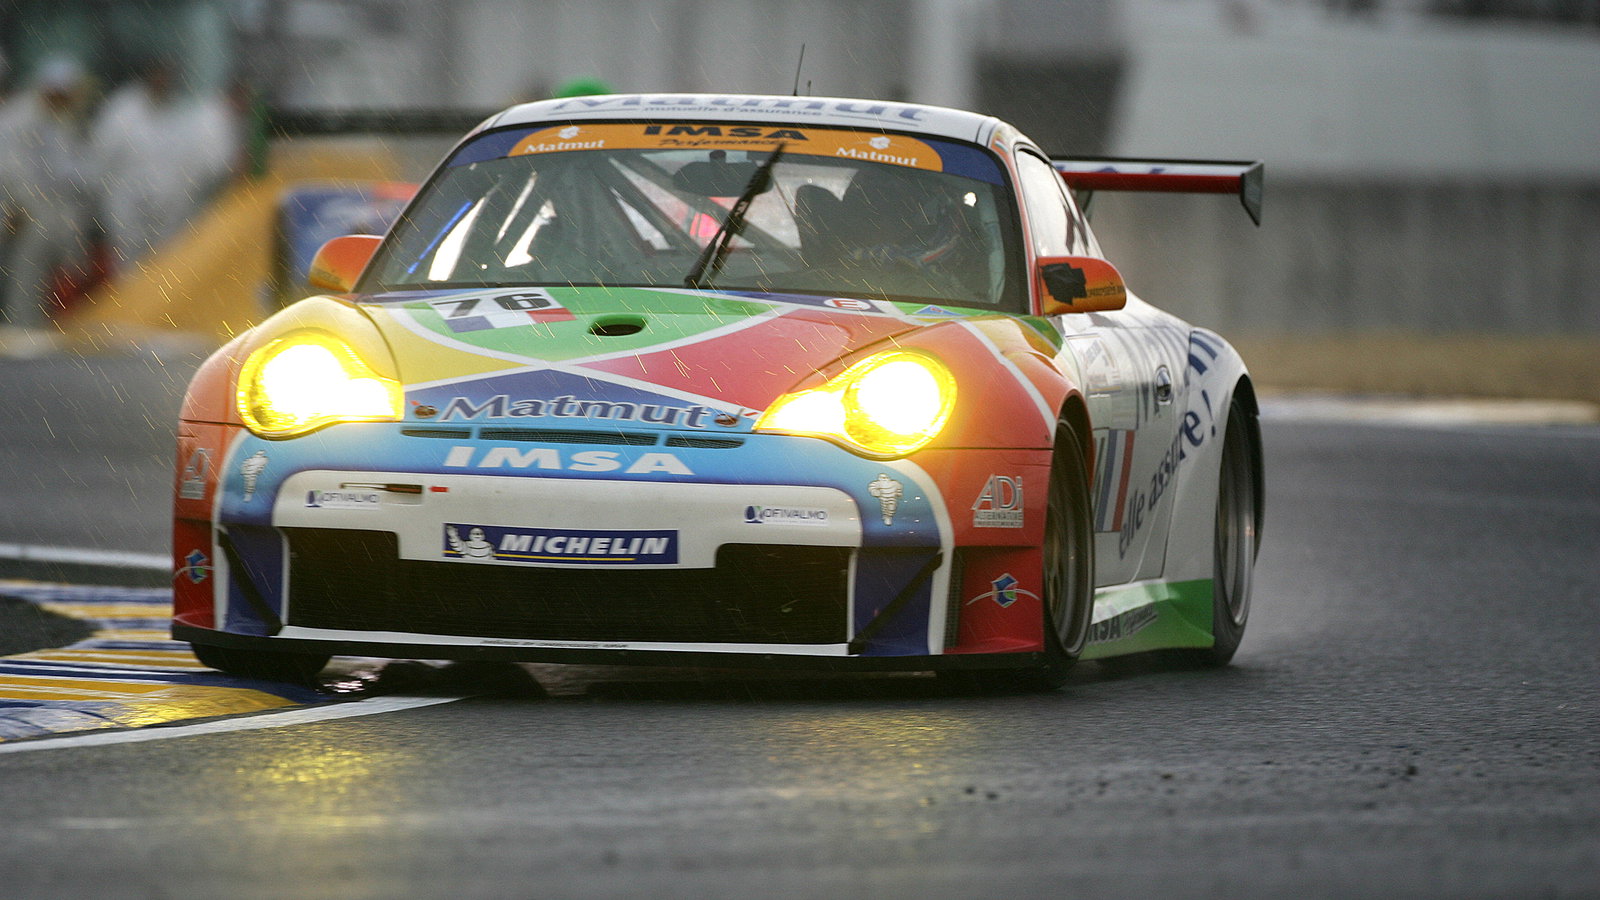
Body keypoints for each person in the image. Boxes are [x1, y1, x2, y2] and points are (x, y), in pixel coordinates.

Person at [92, 57, 239, 273]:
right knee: (129, 273)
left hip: (166, 214)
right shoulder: (122, 112)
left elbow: (191, 165)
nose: (164, 82)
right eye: (159, 76)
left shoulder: (176, 114)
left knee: (163, 271)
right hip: (127, 209)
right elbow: (101, 162)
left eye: (167, 77)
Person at [0, 55, 98, 357]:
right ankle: (21, 340)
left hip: (49, 218)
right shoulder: (18, 119)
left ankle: (37, 339)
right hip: (24, 215)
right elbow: (11, 169)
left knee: (48, 285)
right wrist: (21, 206)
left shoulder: (60, 122)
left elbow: (68, 173)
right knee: (24, 282)